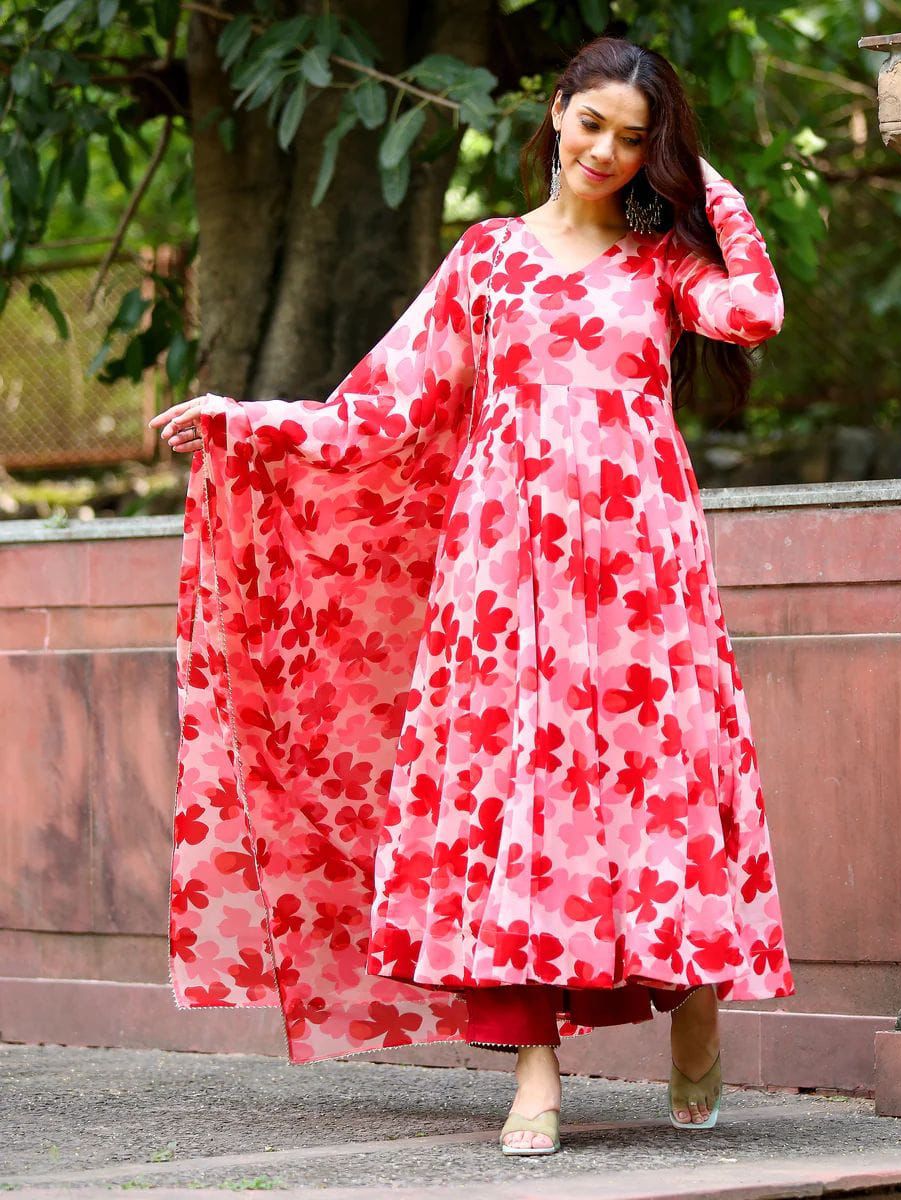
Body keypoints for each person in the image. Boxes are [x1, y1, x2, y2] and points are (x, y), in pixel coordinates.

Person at [151, 35, 793, 1158]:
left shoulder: (662, 267)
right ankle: (536, 1074)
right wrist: (245, 420)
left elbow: (755, 314)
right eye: (591, 123)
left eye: (633, 139)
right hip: (505, 577)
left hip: (642, 569)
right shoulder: (488, 260)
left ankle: (695, 997)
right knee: (519, 809)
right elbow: (379, 406)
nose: (604, 151)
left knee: (660, 781)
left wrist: (709, 190)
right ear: (554, 115)